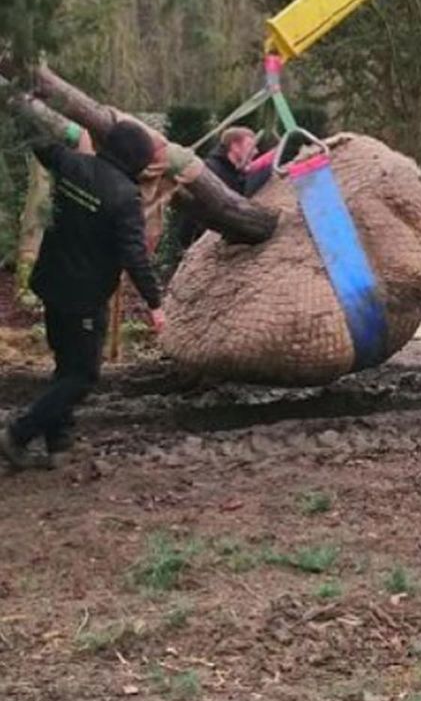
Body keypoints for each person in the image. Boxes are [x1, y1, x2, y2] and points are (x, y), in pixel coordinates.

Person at [0, 121, 165, 473]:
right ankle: (18, 433)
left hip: (52, 284)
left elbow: (39, 141)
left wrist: (60, 125)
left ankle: (59, 442)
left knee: (65, 365)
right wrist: (155, 303)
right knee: (82, 375)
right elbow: (134, 256)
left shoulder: (74, 165)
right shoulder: (125, 196)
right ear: (136, 159)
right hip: (84, 297)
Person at [174, 126, 261, 248]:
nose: (255, 151)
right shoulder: (211, 171)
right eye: (250, 146)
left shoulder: (236, 171)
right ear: (235, 146)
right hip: (198, 240)